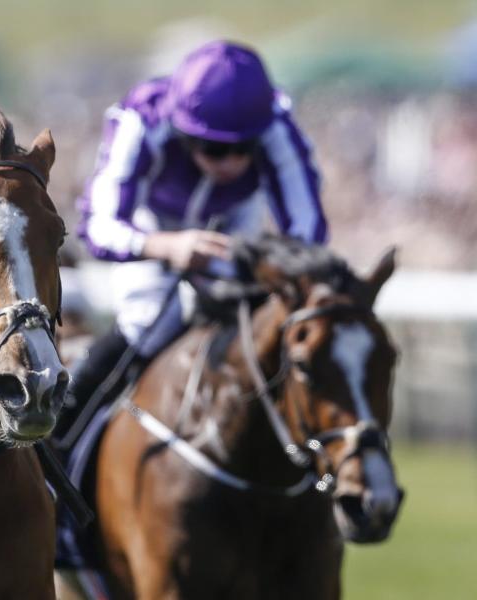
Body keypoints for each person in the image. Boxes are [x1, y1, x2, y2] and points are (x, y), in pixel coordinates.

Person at [59, 40, 327, 442]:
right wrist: (166, 247)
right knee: (146, 322)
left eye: (245, 148)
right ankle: (58, 447)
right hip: (155, 227)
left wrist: (262, 268)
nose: (232, 163)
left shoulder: (276, 124)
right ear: (185, 134)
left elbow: (308, 233)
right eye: (215, 149)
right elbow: (98, 224)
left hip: (236, 228)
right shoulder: (142, 119)